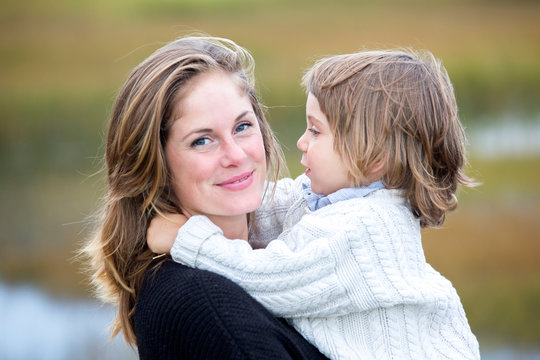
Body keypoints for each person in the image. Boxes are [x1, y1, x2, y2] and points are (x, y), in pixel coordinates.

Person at [148, 49, 481, 359]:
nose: (301, 141)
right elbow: (274, 203)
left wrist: (188, 237)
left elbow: (266, 278)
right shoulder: (336, 197)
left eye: (316, 131)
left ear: (374, 157)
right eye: (201, 140)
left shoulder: (363, 228)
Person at [82, 35, 329, 359]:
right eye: (202, 141)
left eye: (242, 127)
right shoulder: (207, 305)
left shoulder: (283, 244)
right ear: (154, 165)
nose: (236, 155)